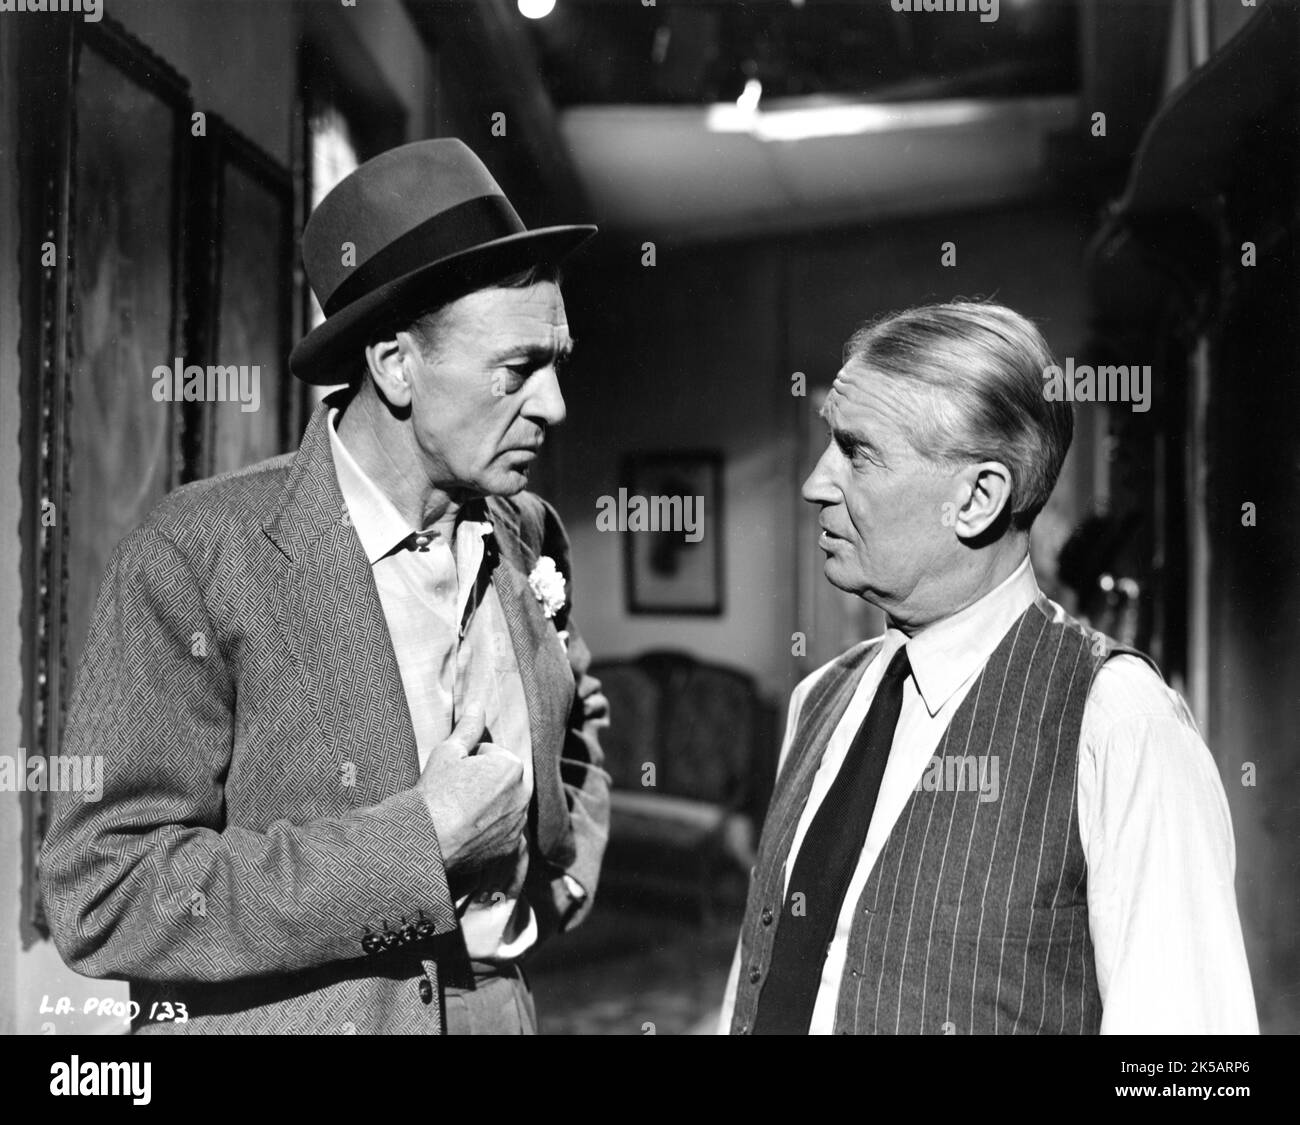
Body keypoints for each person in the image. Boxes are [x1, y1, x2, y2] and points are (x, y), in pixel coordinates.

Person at [42, 138, 611, 1035]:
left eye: (557, 363)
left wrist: (570, 857)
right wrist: (419, 843)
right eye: (517, 370)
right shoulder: (198, 552)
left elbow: (580, 713)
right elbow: (103, 890)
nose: (553, 405)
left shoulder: (528, 529)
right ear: (393, 364)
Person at [720, 301, 1256, 1034]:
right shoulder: (822, 698)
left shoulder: (1120, 722)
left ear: (976, 498)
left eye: (857, 451)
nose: (817, 482)